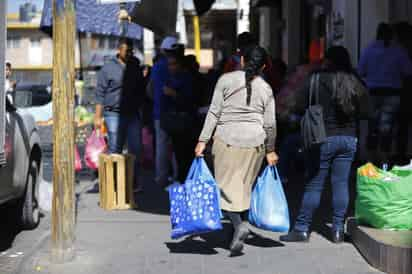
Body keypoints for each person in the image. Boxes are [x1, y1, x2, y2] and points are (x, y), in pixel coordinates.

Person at [280, 46, 369, 244]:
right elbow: (366, 111)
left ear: (327, 60)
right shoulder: (355, 82)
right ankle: (338, 230)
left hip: (322, 138)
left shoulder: (316, 80)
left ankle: (302, 229)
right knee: (341, 183)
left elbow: (297, 104)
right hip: (348, 139)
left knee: (314, 184)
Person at [195, 46, 279, 255]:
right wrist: (270, 149)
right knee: (243, 188)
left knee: (224, 189)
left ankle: (239, 226)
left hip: (227, 140)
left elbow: (214, 112)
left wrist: (202, 140)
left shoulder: (225, 80)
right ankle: (236, 231)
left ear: (241, 60)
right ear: (264, 66)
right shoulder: (266, 88)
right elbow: (270, 124)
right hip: (256, 143)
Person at [358, 23, 412, 166]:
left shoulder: (368, 50)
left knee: (373, 126)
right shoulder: (399, 51)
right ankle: (385, 158)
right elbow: (407, 72)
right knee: (386, 127)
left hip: (373, 93)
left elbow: (361, 71)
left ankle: (371, 157)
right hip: (393, 93)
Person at [94, 38, 144, 192]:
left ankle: (132, 181)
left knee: (135, 149)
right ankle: (113, 183)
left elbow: (140, 89)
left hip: (132, 114)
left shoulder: (135, 65)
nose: (129, 53)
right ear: (119, 50)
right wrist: (97, 116)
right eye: (126, 51)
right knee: (115, 148)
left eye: (131, 51)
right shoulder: (107, 68)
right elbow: (99, 93)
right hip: (113, 114)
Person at [161, 53, 197, 183]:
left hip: (186, 122)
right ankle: (181, 180)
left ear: (180, 65)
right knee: (177, 153)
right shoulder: (169, 79)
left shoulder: (187, 78)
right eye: (169, 64)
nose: (171, 67)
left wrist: (174, 94)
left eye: (174, 64)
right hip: (174, 123)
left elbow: (190, 100)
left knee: (186, 155)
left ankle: (186, 181)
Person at [151, 36, 180, 187]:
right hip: (172, 110)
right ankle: (177, 177)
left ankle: (161, 178)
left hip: (159, 111)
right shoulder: (174, 65)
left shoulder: (157, 66)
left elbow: (152, 88)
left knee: (161, 146)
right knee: (175, 145)